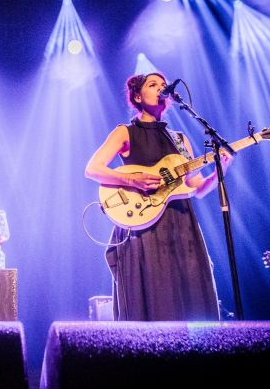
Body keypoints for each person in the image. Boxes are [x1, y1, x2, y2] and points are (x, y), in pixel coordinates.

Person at [84, 72, 232, 321]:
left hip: (181, 223)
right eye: (153, 85)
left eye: (163, 85)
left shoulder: (180, 140)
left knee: (191, 293)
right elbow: (93, 169)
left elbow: (195, 187)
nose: (161, 88)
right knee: (155, 292)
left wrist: (220, 171)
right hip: (145, 222)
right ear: (137, 96)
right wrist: (132, 179)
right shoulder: (126, 132)